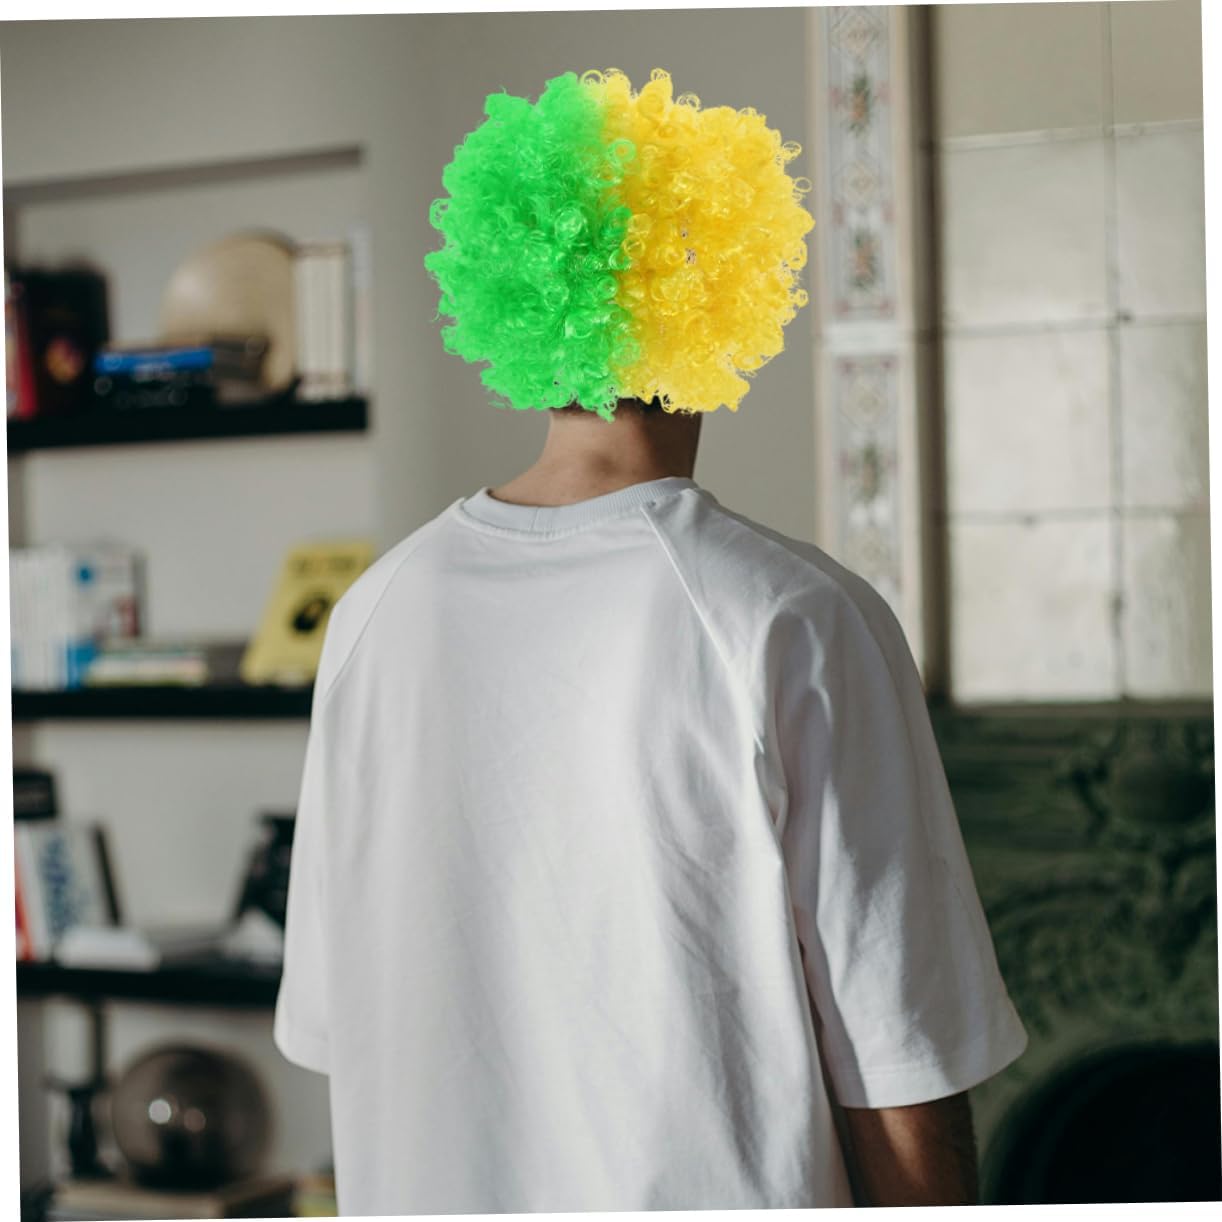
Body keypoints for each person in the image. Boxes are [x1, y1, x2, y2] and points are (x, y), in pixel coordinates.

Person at [273, 68, 1029, 1214]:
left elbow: (342, 1025)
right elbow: (899, 1059)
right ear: (724, 283)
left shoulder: (371, 614)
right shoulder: (793, 615)